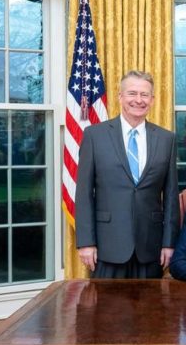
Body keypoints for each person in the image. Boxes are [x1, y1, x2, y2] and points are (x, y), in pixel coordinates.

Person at [75, 70, 180, 278]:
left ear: (152, 99)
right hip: (107, 247)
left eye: (144, 95)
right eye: (132, 93)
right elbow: (84, 193)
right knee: (107, 309)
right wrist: (86, 242)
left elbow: (170, 196)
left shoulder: (166, 139)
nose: (138, 100)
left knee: (150, 309)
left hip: (151, 248)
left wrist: (169, 243)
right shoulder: (94, 136)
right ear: (120, 96)